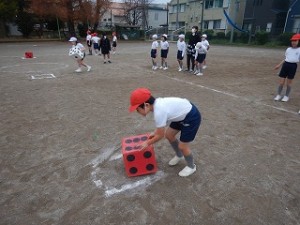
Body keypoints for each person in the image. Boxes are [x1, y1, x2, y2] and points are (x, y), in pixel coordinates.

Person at [128, 88, 201, 177]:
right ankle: (179, 155)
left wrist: (147, 143)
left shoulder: (159, 111)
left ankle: (191, 166)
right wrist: (155, 132)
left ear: (146, 105)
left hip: (191, 117)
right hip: (181, 115)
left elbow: (160, 135)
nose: (137, 111)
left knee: (183, 146)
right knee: (169, 135)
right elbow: (162, 126)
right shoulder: (157, 106)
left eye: (137, 109)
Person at [274, 34, 300, 102]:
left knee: (289, 83)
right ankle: (279, 95)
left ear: (298, 41)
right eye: (292, 41)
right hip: (285, 65)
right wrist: (279, 65)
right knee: (281, 82)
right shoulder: (288, 49)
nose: (293, 42)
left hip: (293, 66)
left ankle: (286, 96)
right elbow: (285, 58)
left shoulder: (299, 50)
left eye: (295, 41)